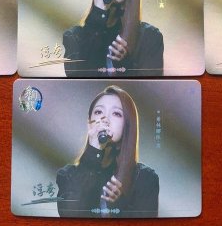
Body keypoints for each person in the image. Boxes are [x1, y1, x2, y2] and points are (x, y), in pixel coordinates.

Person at [56, 85, 159, 218]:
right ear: (89, 123)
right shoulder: (67, 175)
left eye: (116, 113)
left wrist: (118, 206)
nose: (105, 119)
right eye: (99, 112)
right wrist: (94, 149)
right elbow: (70, 214)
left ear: (127, 126)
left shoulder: (145, 178)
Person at [63, 0, 164, 77]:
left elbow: (150, 86)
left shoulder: (149, 37)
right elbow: (76, 78)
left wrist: (124, 64)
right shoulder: (74, 36)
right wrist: (99, 11)